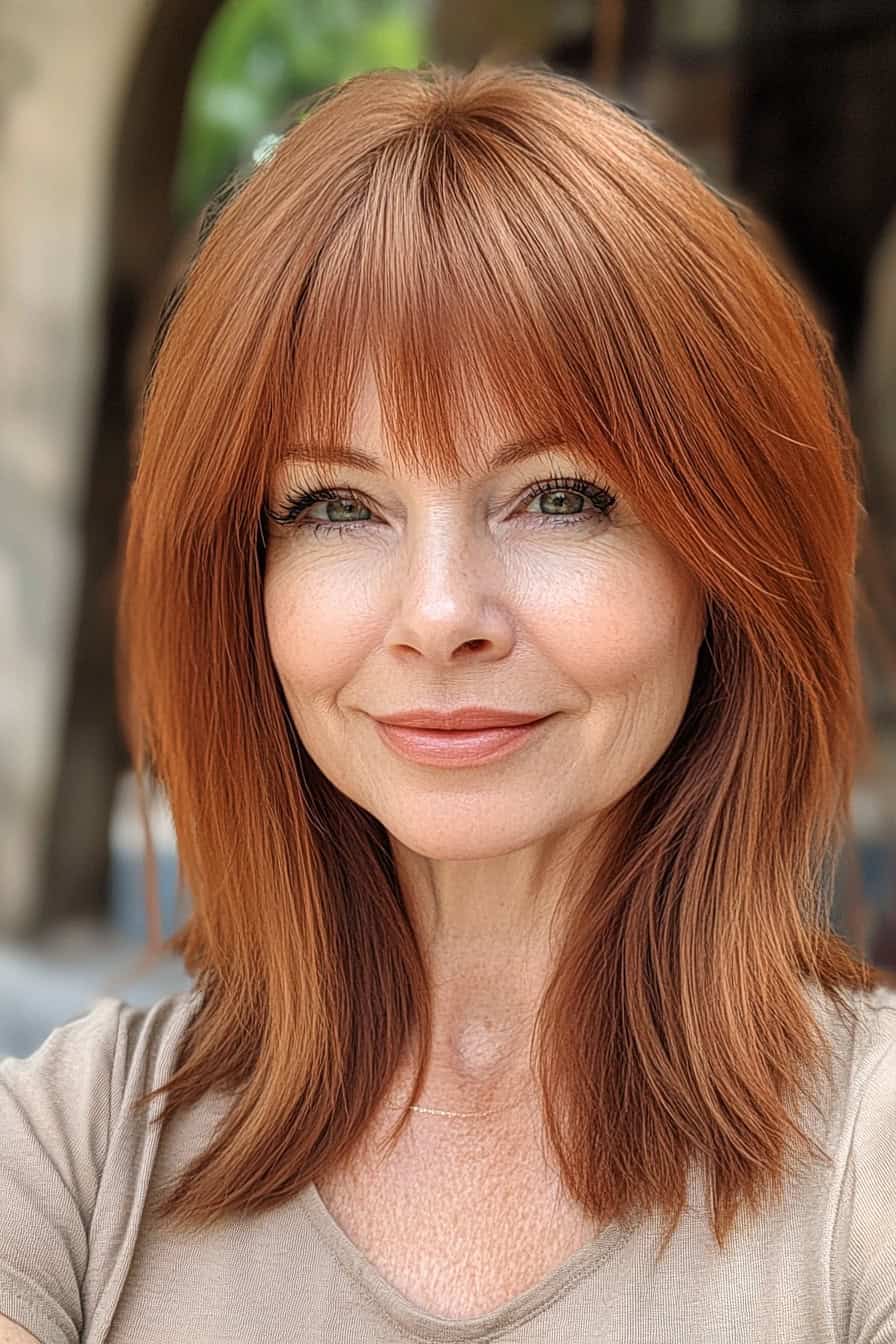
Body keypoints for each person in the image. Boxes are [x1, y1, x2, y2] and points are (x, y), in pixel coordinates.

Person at [1, 60, 894, 1344]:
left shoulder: (864, 1171)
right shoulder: (74, 1158)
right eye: (335, 506)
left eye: (560, 495)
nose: (436, 615)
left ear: (725, 560)